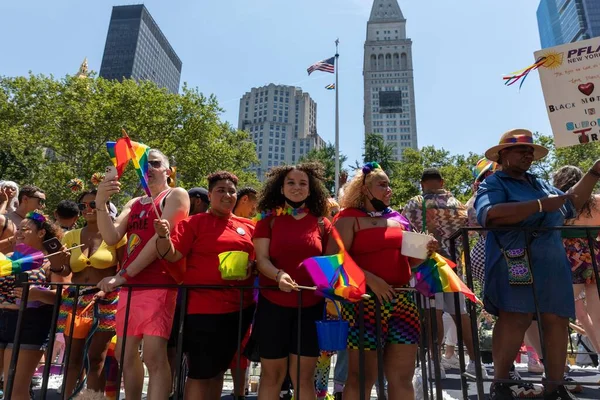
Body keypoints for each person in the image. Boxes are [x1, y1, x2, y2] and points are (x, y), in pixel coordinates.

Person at [475, 129, 600, 400]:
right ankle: (502, 382)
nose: (528, 154)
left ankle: (555, 386)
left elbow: (570, 204)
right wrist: (540, 206)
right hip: (516, 258)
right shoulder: (495, 183)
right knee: (515, 316)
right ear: (503, 155)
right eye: (521, 150)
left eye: (530, 151)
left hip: (551, 260)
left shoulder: (540, 183)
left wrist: (593, 172)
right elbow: (489, 215)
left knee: (556, 319)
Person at [332, 162, 433, 400]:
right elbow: (335, 258)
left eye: (389, 185)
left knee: (402, 377)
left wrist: (425, 252)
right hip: (364, 301)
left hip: (402, 300)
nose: (389, 189)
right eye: (382, 184)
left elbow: (410, 263)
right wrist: (370, 280)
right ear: (364, 189)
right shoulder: (346, 218)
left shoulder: (399, 219)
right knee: (361, 377)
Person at [95, 149, 189, 400]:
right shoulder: (133, 203)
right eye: (144, 163)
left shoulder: (177, 195)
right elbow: (111, 236)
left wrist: (123, 275)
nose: (148, 167)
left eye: (155, 163)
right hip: (129, 286)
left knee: (153, 355)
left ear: (168, 171)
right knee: (123, 354)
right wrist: (100, 203)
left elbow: (157, 247)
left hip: (158, 283)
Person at [155, 171, 255, 400]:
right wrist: (163, 237)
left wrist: (253, 267)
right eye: (221, 190)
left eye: (232, 191)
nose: (227, 195)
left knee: (218, 370)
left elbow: (259, 261)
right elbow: (171, 256)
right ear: (210, 195)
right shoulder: (194, 223)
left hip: (240, 310)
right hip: (203, 310)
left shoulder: (248, 226)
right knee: (200, 373)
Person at [253, 162, 332, 400]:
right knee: (271, 376)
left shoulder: (322, 223)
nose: (296, 188)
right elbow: (261, 260)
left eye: (302, 183)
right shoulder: (267, 220)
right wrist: (278, 275)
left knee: (303, 377)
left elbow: (330, 265)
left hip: (310, 309)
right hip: (272, 306)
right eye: (291, 182)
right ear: (280, 187)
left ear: (311, 190)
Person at [402, 168, 487, 379]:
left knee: (433, 313)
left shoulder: (415, 203)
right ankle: (476, 363)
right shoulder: (457, 205)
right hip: (453, 266)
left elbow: (403, 231)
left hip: (425, 266)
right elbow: (473, 227)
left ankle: (435, 362)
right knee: (462, 315)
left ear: (422, 184)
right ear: (442, 181)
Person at [51, 190, 126, 398]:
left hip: (106, 300)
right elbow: (65, 271)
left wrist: (108, 286)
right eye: (83, 206)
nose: (88, 209)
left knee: (95, 358)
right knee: (73, 359)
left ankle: (94, 397)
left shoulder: (116, 236)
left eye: (93, 204)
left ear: (104, 204)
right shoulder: (71, 235)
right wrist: (58, 263)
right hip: (74, 300)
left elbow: (124, 268)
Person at [2, 212, 68, 400]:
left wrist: (37, 294)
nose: (19, 233)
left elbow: (63, 296)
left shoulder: (52, 260)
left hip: (31, 324)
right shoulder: (8, 257)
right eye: (18, 229)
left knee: (15, 391)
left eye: (25, 229)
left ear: (40, 233)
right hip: (3, 320)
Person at [553, 166, 600, 358]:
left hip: (568, 259)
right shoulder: (597, 202)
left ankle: (556, 364)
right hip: (595, 257)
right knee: (597, 316)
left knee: (557, 313)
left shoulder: (559, 204)